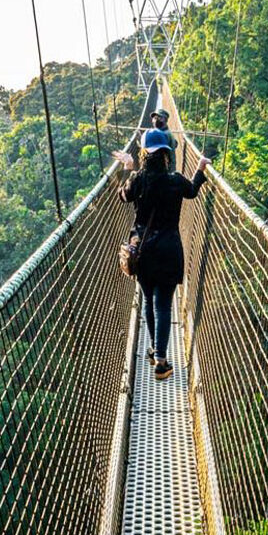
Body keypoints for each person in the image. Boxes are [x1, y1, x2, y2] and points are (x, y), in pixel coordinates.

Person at [114, 129, 209, 381]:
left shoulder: (138, 180)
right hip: (168, 250)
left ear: (144, 153)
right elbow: (192, 191)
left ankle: (156, 353)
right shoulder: (176, 180)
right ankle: (161, 360)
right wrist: (200, 169)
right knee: (163, 305)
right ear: (167, 154)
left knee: (148, 300)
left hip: (142, 252)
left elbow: (122, 196)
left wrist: (128, 168)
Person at [150, 107, 178, 171]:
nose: (154, 120)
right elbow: (175, 144)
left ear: (164, 119)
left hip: (165, 172)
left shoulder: (163, 135)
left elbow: (151, 150)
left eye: (158, 118)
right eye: (154, 118)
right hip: (167, 170)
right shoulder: (168, 132)